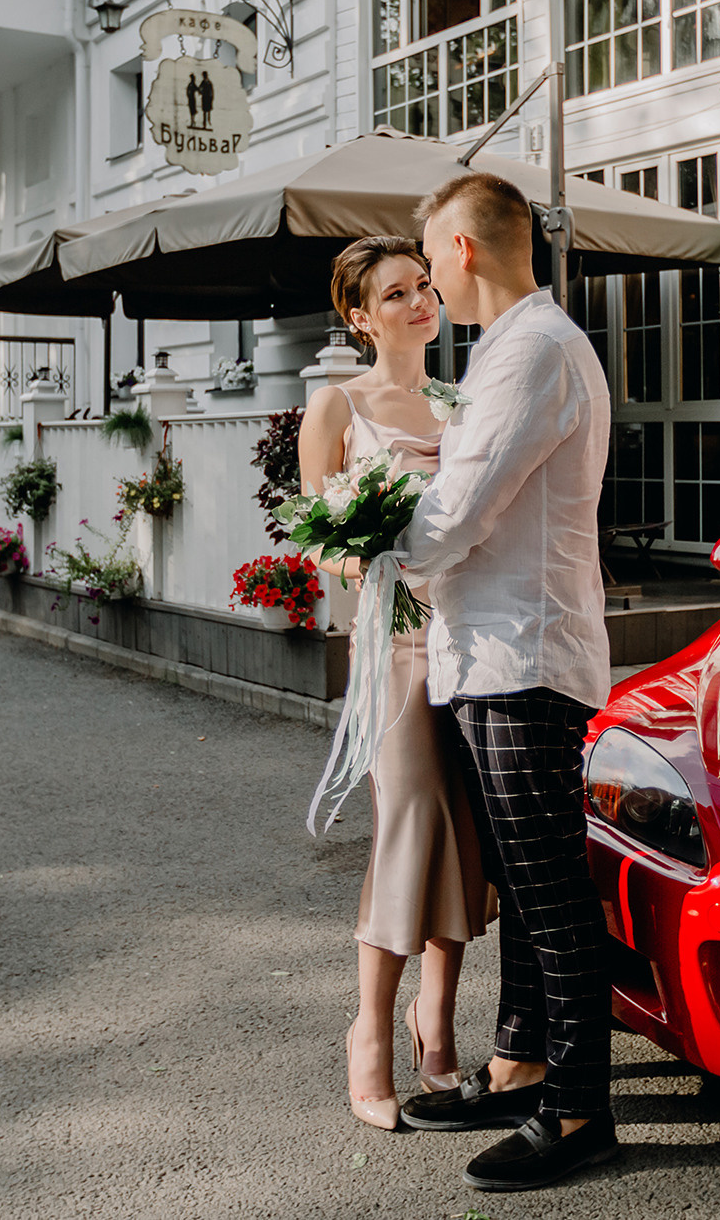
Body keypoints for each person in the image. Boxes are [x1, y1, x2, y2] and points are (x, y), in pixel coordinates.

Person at [394, 173, 616, 1192]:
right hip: (500, 649)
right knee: (523, 889)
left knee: (547, 888)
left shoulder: (529, 348)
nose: (431, 276)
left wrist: (378, 539)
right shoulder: (518, 346)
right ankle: (522, 1059)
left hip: (520, 656)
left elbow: (462, 505)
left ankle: (577, 1109)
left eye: (430, 254)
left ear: (462, 247)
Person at [297, 236, 496, 1133]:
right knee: (410, 819)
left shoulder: (461, 402)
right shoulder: (335, 406)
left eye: (424, 286)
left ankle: (438, 1018)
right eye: (397, 293)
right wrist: (367, 553)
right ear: (359, 314)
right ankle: (369, 1028)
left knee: (466, 825)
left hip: (472, 636)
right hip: (392, 640)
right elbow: (316, 541)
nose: (421, 302)